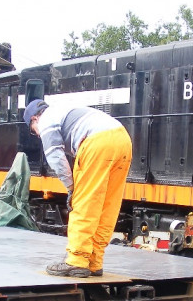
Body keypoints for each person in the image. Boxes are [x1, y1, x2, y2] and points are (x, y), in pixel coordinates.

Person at [23, 99, 132, 277]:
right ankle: (94, 261)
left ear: (35, 119)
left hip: (98, 142)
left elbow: (56, 159)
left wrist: (72, 188)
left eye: (34, 131)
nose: (37, 134)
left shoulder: (46, 120)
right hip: (123, 139)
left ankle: (77, 260)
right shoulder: (65, 109)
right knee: (107, 206)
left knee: (84, 203)